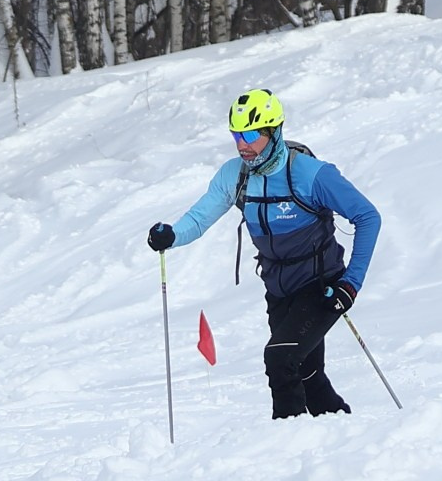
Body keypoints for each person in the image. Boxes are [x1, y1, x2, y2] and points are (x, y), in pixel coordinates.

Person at [147, 89, 382, 421]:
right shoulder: (236, 175)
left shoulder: (310, 174)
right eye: (236, 135)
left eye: (250, 135)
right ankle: (344, 431)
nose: (242, 144)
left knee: (281, 359)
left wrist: (350, 284)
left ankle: (287, 440)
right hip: (279, 291)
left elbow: (368, 217)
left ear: (274, 132)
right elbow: (200, 218)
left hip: (321, 288)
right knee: (307, 374)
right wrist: (171, 235)